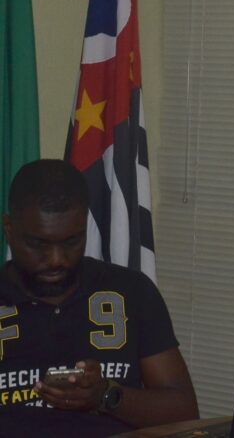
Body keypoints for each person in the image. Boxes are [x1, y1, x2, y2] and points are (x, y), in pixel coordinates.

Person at [0, 159, 198, 429]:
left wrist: (106, 395)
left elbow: (184, 413)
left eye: (71, 241)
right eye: (38, 244)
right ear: (9, 229)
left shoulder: (131, 291)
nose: (56, 259)